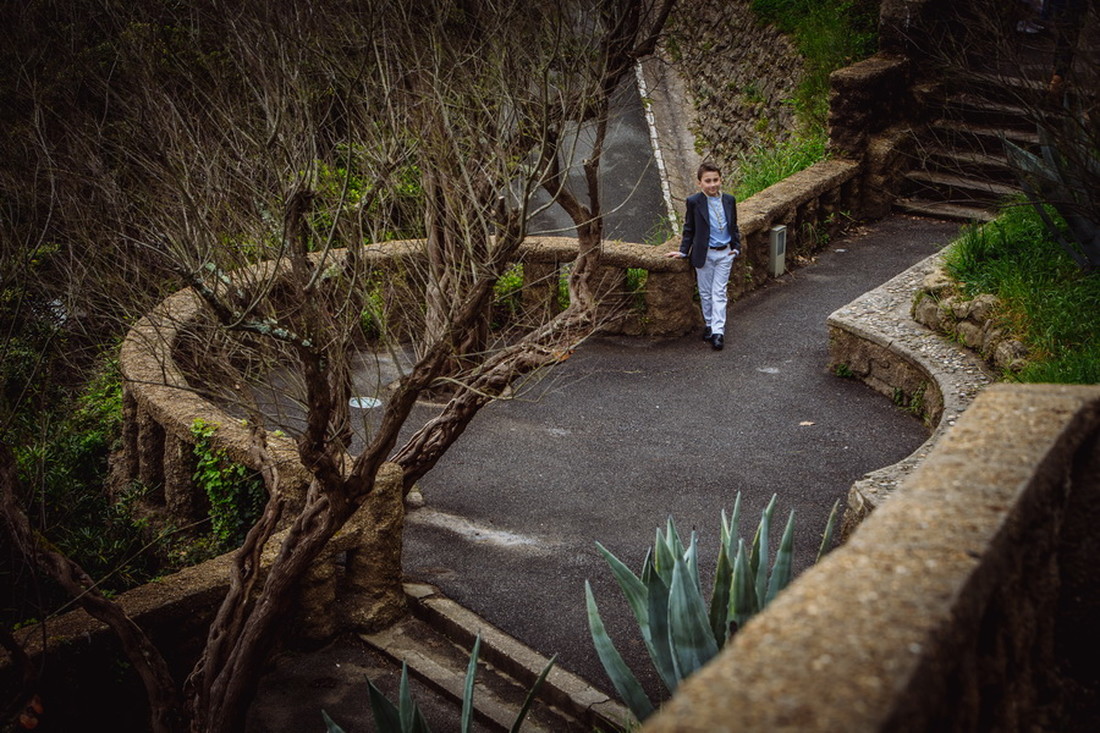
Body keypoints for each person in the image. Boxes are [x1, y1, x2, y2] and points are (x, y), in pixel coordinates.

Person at [666, 162, 741, 350]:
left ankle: (718, 331)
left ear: (721, 179)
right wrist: (683, 251)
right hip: (704, 253)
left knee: (719, 292)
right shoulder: (694, 202)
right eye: (708, 181)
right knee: (706, 292)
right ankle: (709, 324)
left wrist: (736, 247)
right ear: (700, 183)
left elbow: (734, 226)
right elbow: (689, 228)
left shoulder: (729, 200)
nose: (712, 184)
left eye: (715, 180)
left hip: (725, 253)